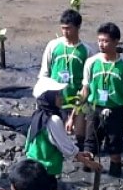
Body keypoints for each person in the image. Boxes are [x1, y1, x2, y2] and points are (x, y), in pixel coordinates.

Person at [79, 22, 123, 178]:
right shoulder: (91, 63)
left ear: (116, 42)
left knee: (115, 146)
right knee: (90, 143)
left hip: (116, 110)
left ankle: (115, 175)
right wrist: (74, 114)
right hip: (94, 108)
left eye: (106, 41)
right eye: (100, 40)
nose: (102, 44)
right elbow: (85, 89)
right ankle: (88, 176)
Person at [25, 76, 102, 186]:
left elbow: (28, 142)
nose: (61, 97)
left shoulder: (38, 115)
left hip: (33, 166)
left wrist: (79, 153)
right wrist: (89, 163)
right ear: (49, 97)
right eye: (57, 95)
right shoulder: (53, 120)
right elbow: (66, 148)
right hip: (45, 171)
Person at [38, 9, 92, 149]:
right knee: (56, 133)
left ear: (78, 27)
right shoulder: (53, 46)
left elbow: (88, 83)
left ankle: (81, 153)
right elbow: (44, 73)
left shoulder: (87, 51)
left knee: (80, 133)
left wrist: (75, 110)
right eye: (62, 29)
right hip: (57, 98)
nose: (65, 32)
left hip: (77, 97)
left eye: (68, 29)